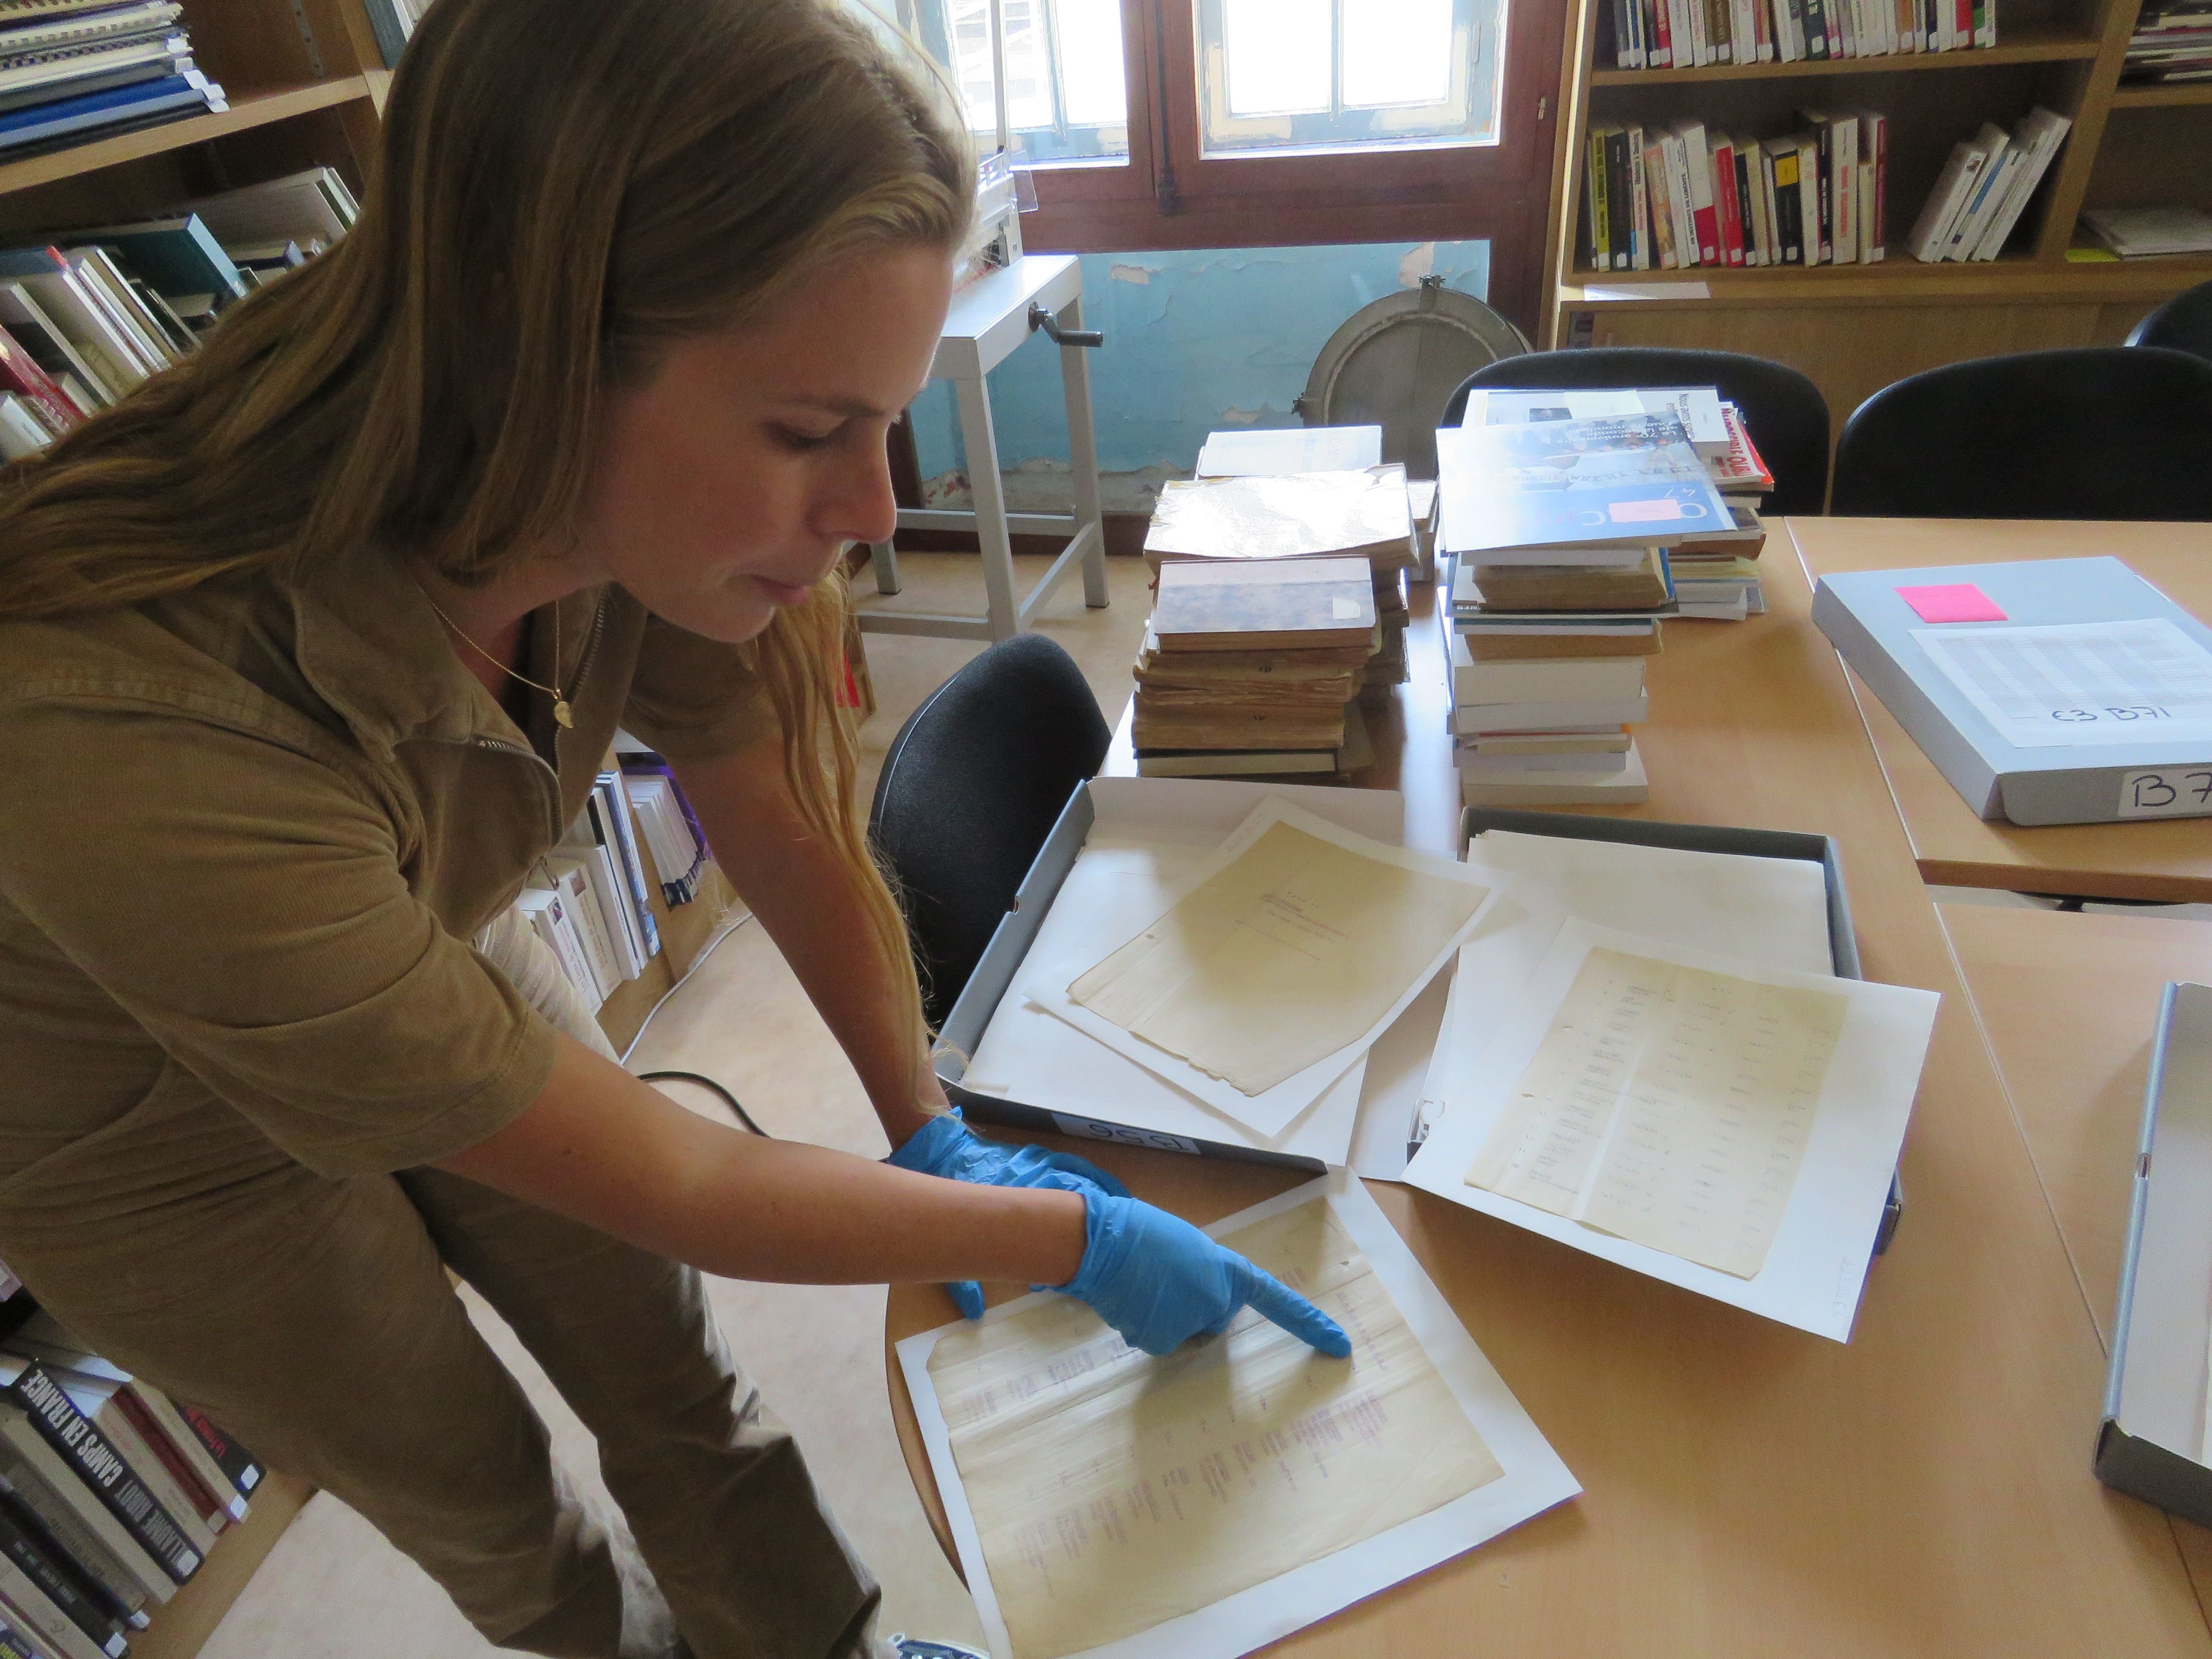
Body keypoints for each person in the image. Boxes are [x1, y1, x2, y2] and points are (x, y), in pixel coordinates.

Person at [0, 3, 1347, 1657]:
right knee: (481, 1491)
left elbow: (768, 798)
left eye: (883, 420)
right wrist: (1071, 1231)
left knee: (666, 1369)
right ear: (538, 343)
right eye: (805, 432)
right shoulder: (112, 718)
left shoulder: (612, 502)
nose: (870, 511)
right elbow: (690, 1177)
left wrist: (919, 1118)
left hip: (418, 927)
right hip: (154, 1142)